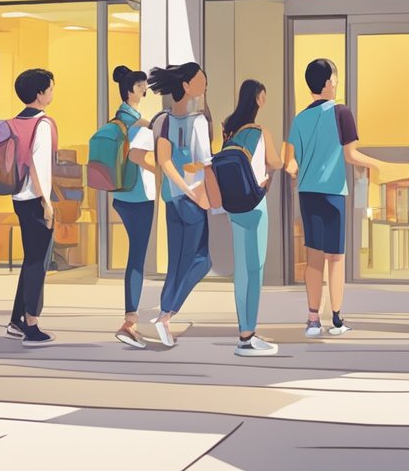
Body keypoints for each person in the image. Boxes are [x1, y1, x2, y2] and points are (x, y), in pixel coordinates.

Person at [285, 58, 383, 337]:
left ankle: (313, 319)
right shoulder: (342, 113)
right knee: (336, 258)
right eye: (335, 77)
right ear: (328, 82)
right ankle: (337, 319)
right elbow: (351, 155)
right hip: (333, 193)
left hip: (308, 193)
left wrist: (295, 171)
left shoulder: (299, 119)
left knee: (314, 257)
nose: (337, 82)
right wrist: (377, 165)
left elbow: (291, 161)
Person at [209, 79, 283, 356]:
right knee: (256, 269)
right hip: (255, 202)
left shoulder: (230, 130)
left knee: (242, 270)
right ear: (259, 99)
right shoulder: (261, 131)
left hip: (234, 206)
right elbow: (275, 163)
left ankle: (245, 330)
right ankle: (247, 335)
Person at [149, 62, 214, 347]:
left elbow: (164, 162)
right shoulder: (198, 122)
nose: (205, 83)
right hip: (193, 199)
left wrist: (179, 188)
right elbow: (205, 161)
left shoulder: (162, 120)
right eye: (201, 79)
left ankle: (165, 311)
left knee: (177, 261)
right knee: (201, 260)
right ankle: (167, 314)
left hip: (171, 200)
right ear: (187, 86)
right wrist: (194, 191)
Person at [4, 69, 58, 347]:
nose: (52, 92)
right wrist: (46, 203)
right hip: (36, 200)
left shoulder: (14, 122)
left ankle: (16, 320)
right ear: (39, 94)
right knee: (38, 263)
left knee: (30, 259)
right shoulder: (43, 124)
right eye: (50, 88)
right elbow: (37, 166)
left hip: (18, 197)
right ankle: (31, 324)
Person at [110, 66, 157, 349]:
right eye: (142, 87)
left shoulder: (117, 119)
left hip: (120, 194)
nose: (145, 91)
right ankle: (129, 322)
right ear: (131, 91)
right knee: (137, 258)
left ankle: (131, 319)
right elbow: (139, 158)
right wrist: (159, 169)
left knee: (135, 256)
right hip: (139, 196)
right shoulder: (140, 123)